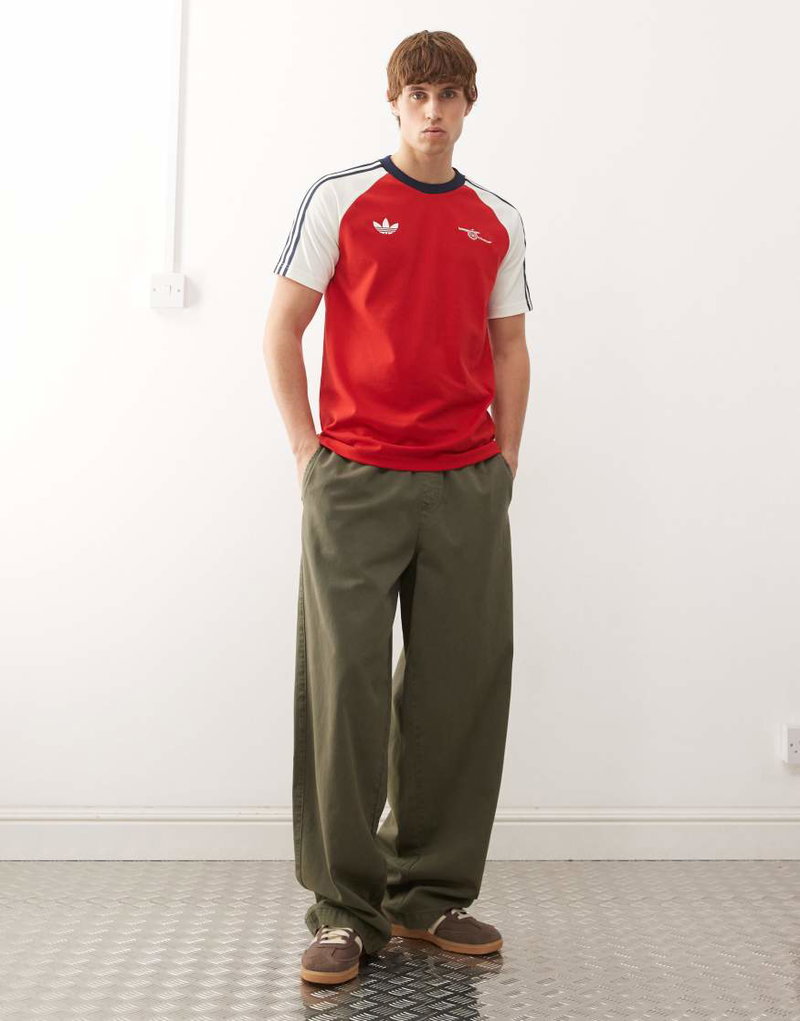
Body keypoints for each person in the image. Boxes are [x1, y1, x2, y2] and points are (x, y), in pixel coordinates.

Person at [263, 29, 532, 986]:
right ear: (395, 103)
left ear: (468, 106)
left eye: (449, 95)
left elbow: (509, 345)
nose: (433, 111)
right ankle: (346, 910)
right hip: (356, 479)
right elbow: (283, 328)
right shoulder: (340, 198)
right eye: (418, 94)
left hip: (465, 483)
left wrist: (504, 460)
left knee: (458, 689)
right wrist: (309, 452)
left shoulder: (496, 218)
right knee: (346, 691)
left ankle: (431, 896)